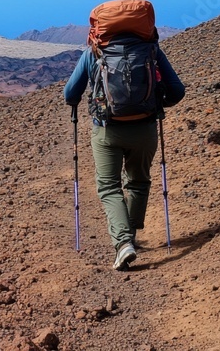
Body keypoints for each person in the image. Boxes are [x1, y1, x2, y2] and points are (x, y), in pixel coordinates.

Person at [63, 14, 185, 271]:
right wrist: (156, 106)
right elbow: (177, 90)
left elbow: (70, 93)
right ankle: (129, 235)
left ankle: (122, 243)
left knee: (109, 188)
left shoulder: (94, 52)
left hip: (107, 131)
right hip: (145, 128)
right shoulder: (151, 51)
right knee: (139, 181)